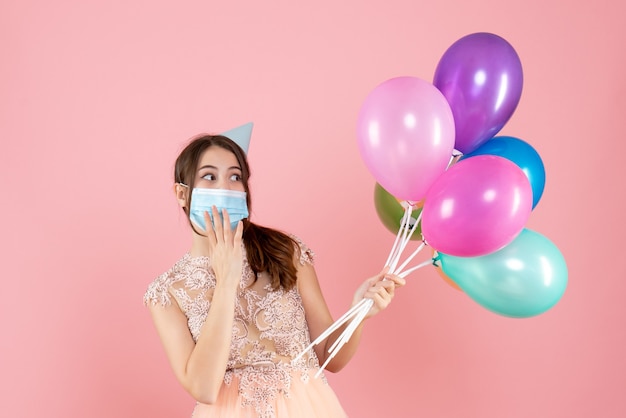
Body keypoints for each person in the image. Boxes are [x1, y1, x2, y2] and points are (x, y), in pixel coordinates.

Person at [144, 126, 405, 418]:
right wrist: (226, 282)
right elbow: (203, 387)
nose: (224, 188)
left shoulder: (285, 253)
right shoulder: (167, 292)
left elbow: (329, 357)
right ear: (182, 193)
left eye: (235, 177)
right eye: (209, 176)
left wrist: (359, 312)